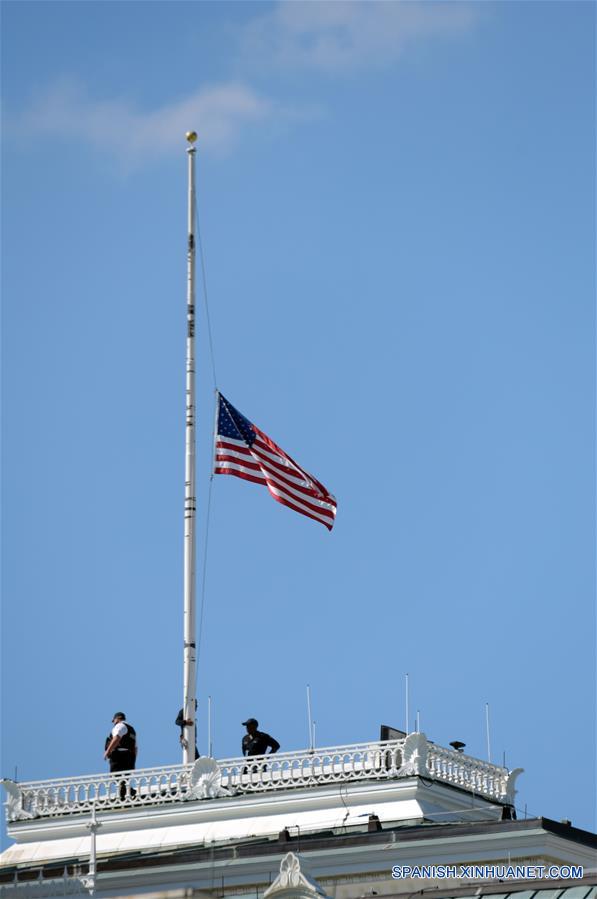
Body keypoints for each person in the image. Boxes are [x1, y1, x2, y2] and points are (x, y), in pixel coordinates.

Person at [104, 712, 137, 800]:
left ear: (118, 718)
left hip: (119, 756)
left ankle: (128, 792)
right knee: (124, 778)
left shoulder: (119, 726)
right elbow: (135, 747)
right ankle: (123, 795)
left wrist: (108, 751)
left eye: (114, 720)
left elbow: (116, 738)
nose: (113, 722)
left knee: (115, 776)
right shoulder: (132, 730)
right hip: (129, 757)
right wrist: (133, 761)